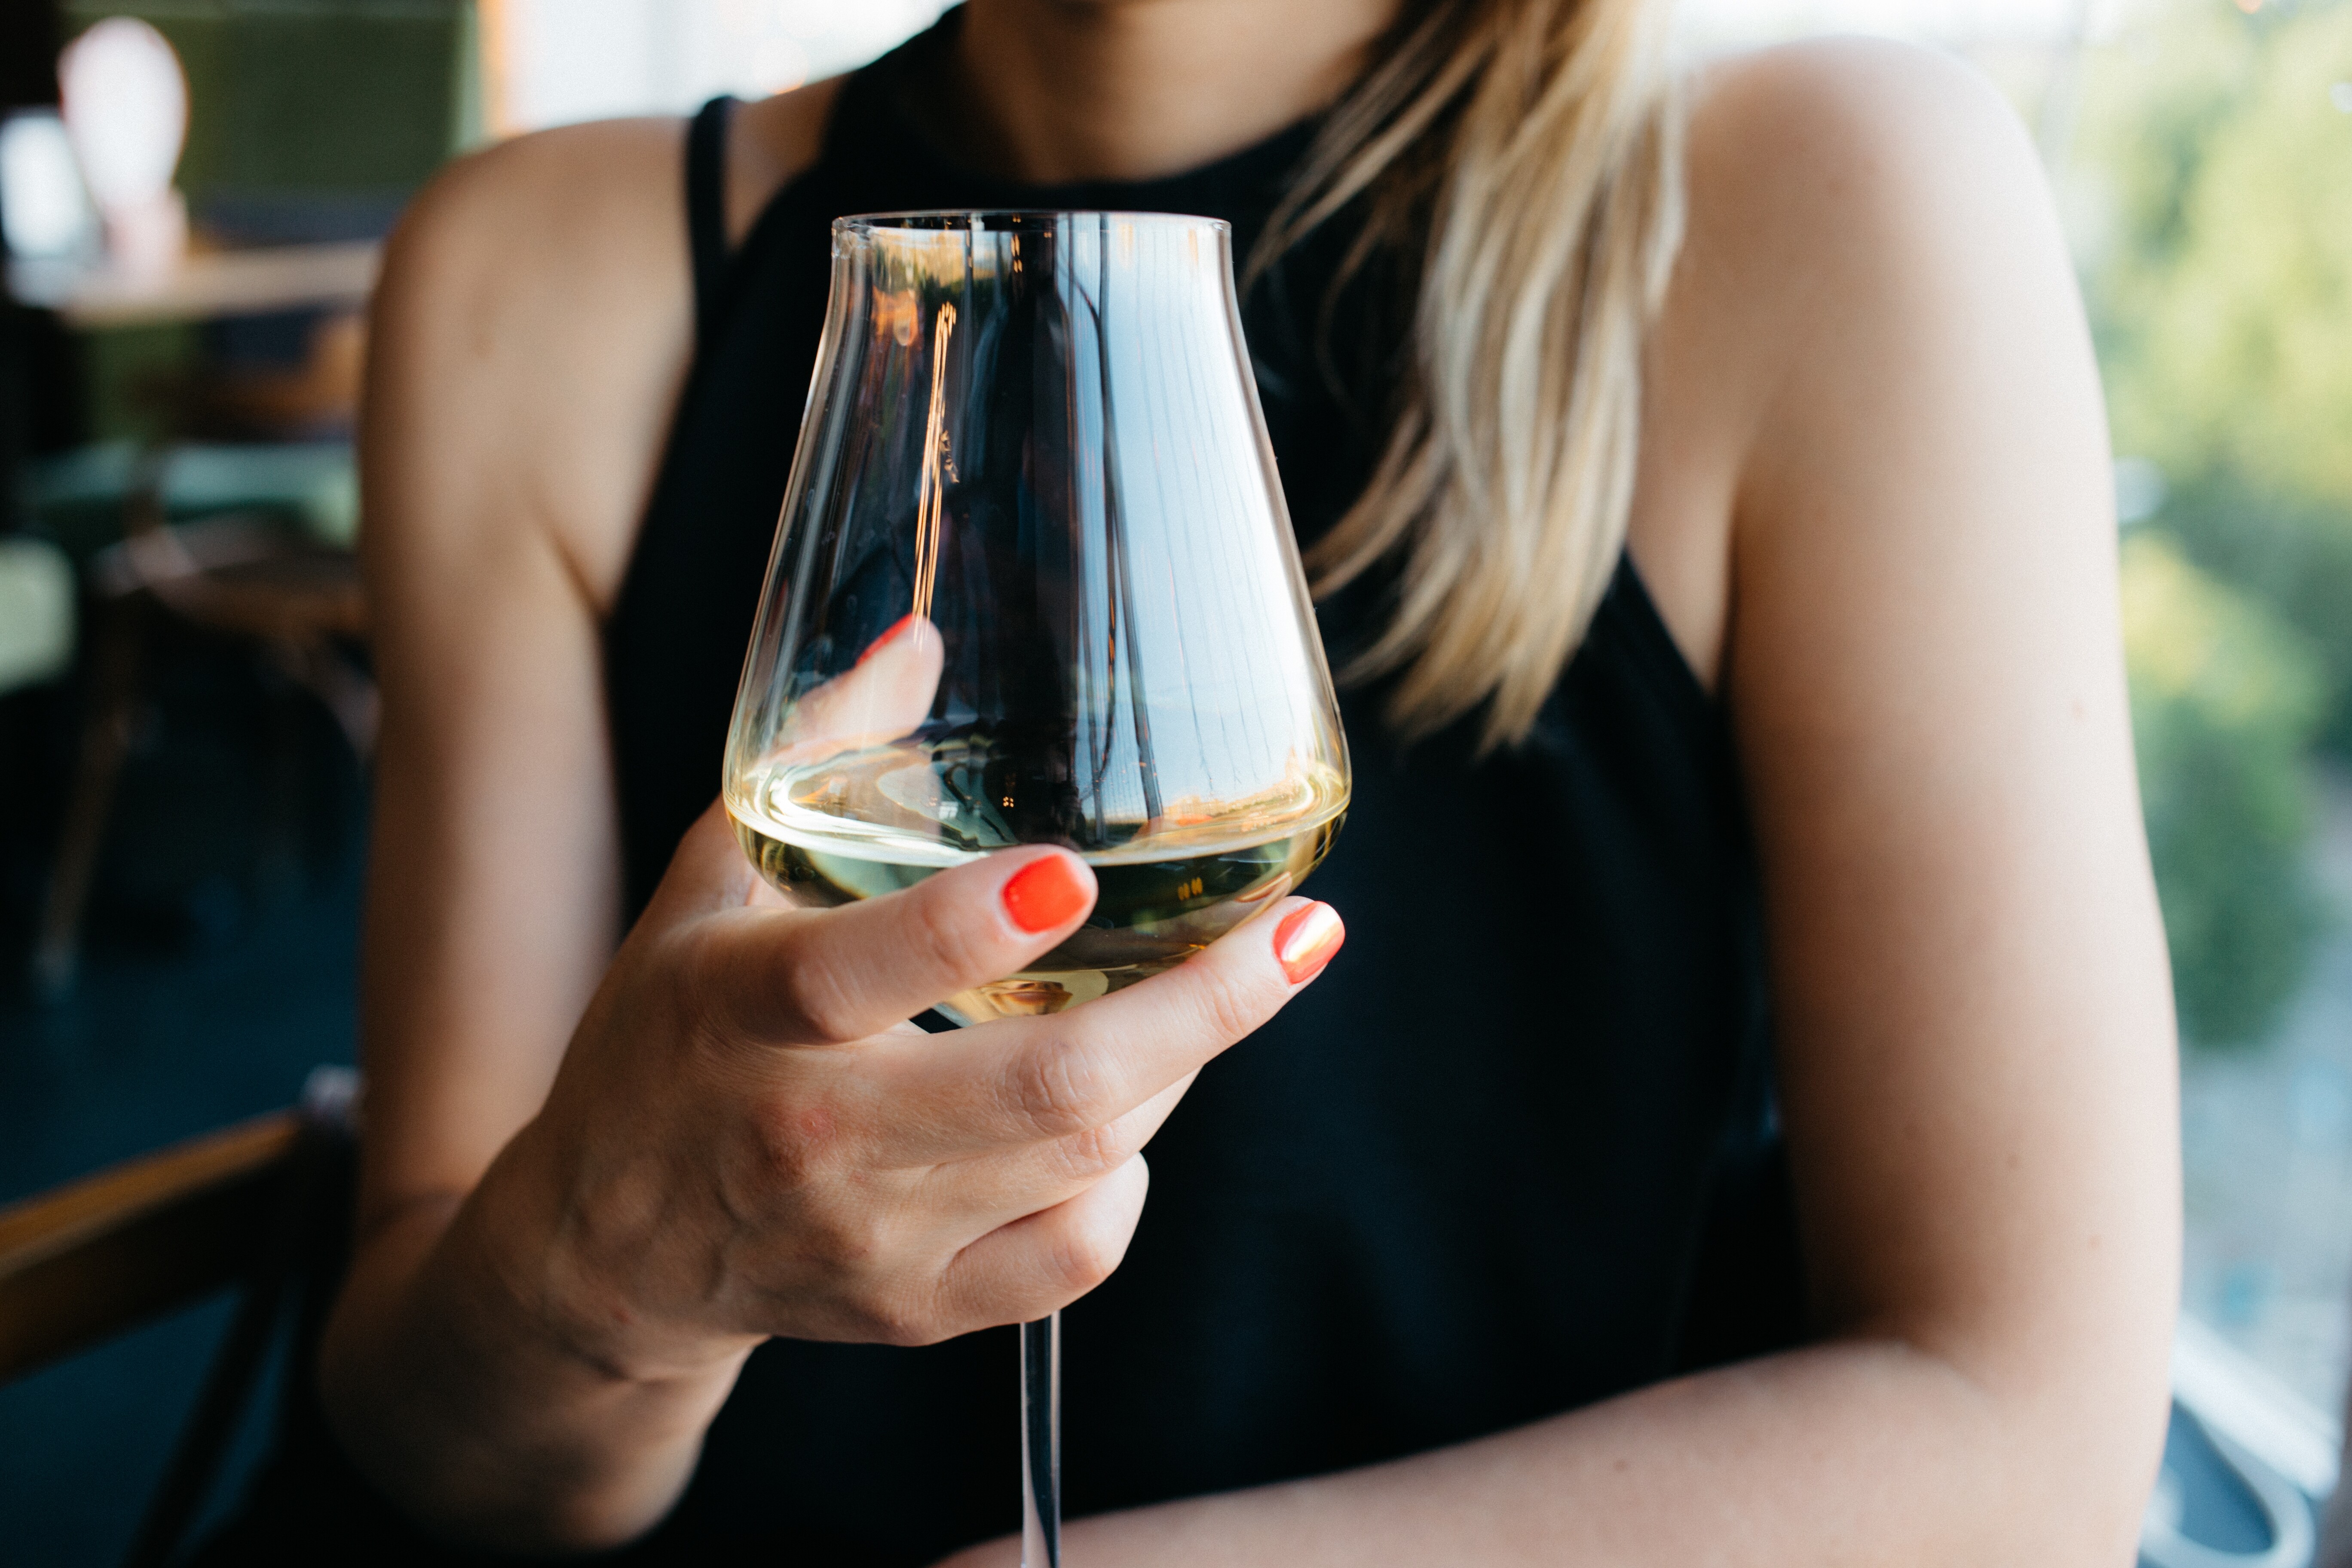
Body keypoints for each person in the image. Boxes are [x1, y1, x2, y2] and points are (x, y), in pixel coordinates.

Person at [207, 0, 2181, 1562]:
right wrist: (606, 1273)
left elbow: (2027, 1450)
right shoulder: (541, 275)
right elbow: (437, 1446)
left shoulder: (1829, 204)